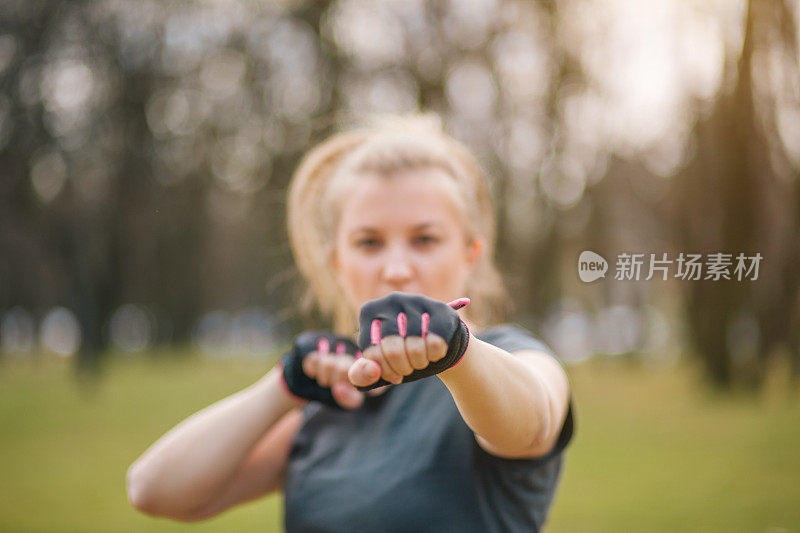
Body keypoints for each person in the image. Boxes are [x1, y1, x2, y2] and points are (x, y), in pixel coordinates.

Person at [126, 115, 575, 532]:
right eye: (369, 242)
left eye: (425, 239)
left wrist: (458, 352)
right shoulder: (326, 404)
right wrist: (284, 386)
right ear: (337, 263)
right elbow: (153, 490)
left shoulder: (512, 356)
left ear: (470, 254)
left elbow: (535, 422)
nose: (397, 268)